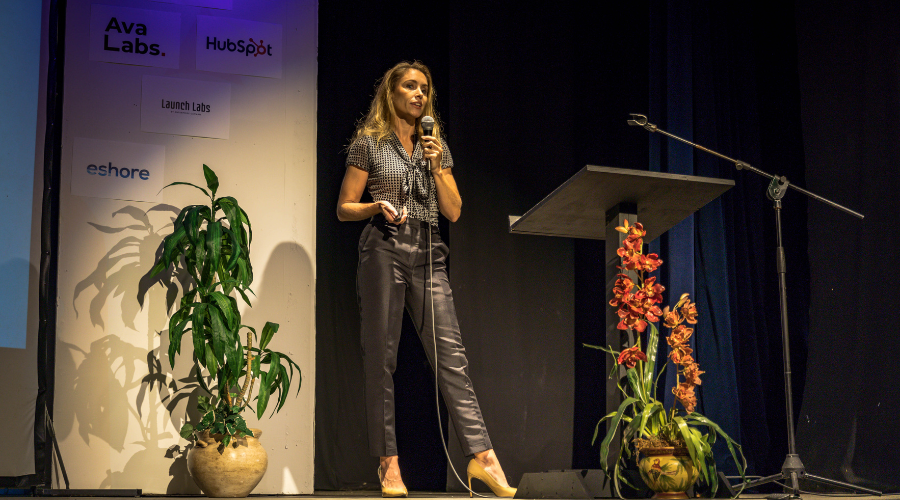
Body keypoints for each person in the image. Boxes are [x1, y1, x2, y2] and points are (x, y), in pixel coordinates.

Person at [337, 61, 516, 498]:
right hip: (383, 246)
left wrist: (437, 166)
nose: (419, 94)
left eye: (424, 88)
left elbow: (453, 210)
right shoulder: (369, 143)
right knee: (382, 359)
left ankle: (483, 457)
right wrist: (376, 206)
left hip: (429, 251)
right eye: (410, 86)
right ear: (392, 93)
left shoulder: (435, 146)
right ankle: (388, 462)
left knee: (452, 357)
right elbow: (344, 207)